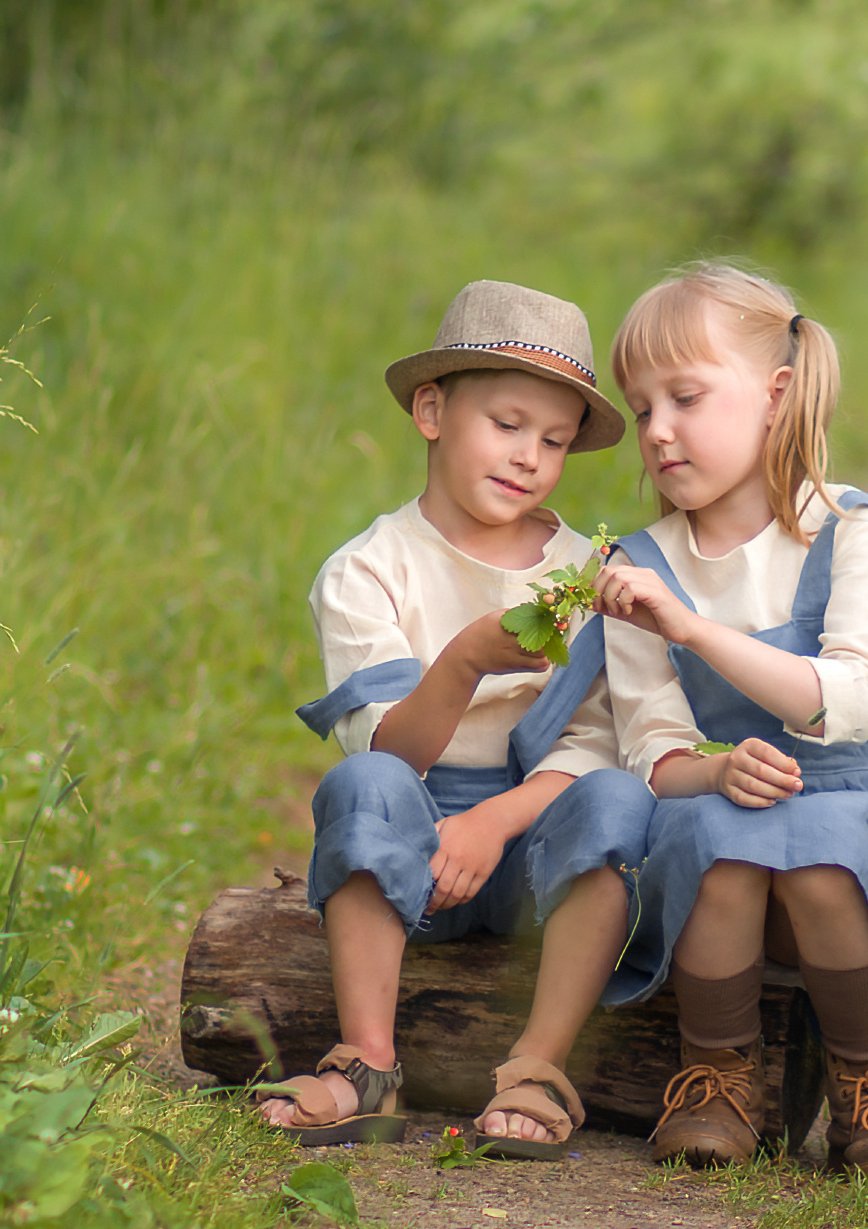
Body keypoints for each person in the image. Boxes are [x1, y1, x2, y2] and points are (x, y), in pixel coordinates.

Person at [260, 280, 655, 1159]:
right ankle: (367, 1064)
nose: (529, 457)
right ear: (432, 411)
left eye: (554, 442)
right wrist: (465, 659)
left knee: (623, 802)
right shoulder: (371, 569)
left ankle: (538, 1067)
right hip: (412, 834)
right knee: (361, 782)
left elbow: (599, 740)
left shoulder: (589, 573)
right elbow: (386, 746)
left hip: (533, 842)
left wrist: (491, 822)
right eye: (508, 424)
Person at [594, 262, 868, 1179]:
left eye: (686, 396)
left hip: (843, 831)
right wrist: (712, 772)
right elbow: (651, 749)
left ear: (775, 395)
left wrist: (695, 630)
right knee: (720, 832)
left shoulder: (847, 529)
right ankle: (716, 1073)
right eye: (641, 410)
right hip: (719, 837)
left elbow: (854, 698)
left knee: (822, 838)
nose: (659, 431)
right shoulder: (639, 566)